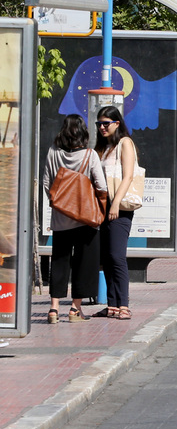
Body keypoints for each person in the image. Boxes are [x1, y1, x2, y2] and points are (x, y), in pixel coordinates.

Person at [42, 115, 107, 324]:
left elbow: (46, 183)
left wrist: (59, 204)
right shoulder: (90, 155)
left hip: (61, 219)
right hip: (85, 219)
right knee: (83, 263)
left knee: (59, 262)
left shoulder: (53, 152)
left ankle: (53, 309)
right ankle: (74, 309)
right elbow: (102, 186)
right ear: (83, 132)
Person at [94, 106, 139, 320]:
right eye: (99, 124)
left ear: (117, 124)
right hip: (101, 207)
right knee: (106, 257)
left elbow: (128, 176)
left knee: (117, 255)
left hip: (118, 207)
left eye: (106, 123)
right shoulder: (103, 147)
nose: (102, 127)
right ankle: (112, 305)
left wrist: (115, 204)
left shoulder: (125, 143)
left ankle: (124, 305)